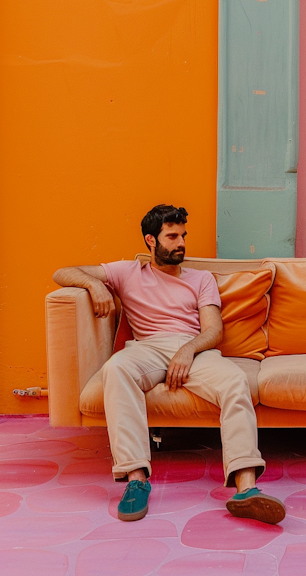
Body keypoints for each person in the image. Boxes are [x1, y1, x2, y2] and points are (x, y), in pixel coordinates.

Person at [53, 204, 285, 525]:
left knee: (234, 381)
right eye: (172, 236)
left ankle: (246, 489)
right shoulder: (126, 272)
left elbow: (214, 330)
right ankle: (137, 479)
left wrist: (188, 350)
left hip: (193, 349)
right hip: (146, 348)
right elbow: (62, 272)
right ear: (151, 240)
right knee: (117, 369)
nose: (181, 243)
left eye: (183, 236)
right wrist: (94, 285)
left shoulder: (201, 278)